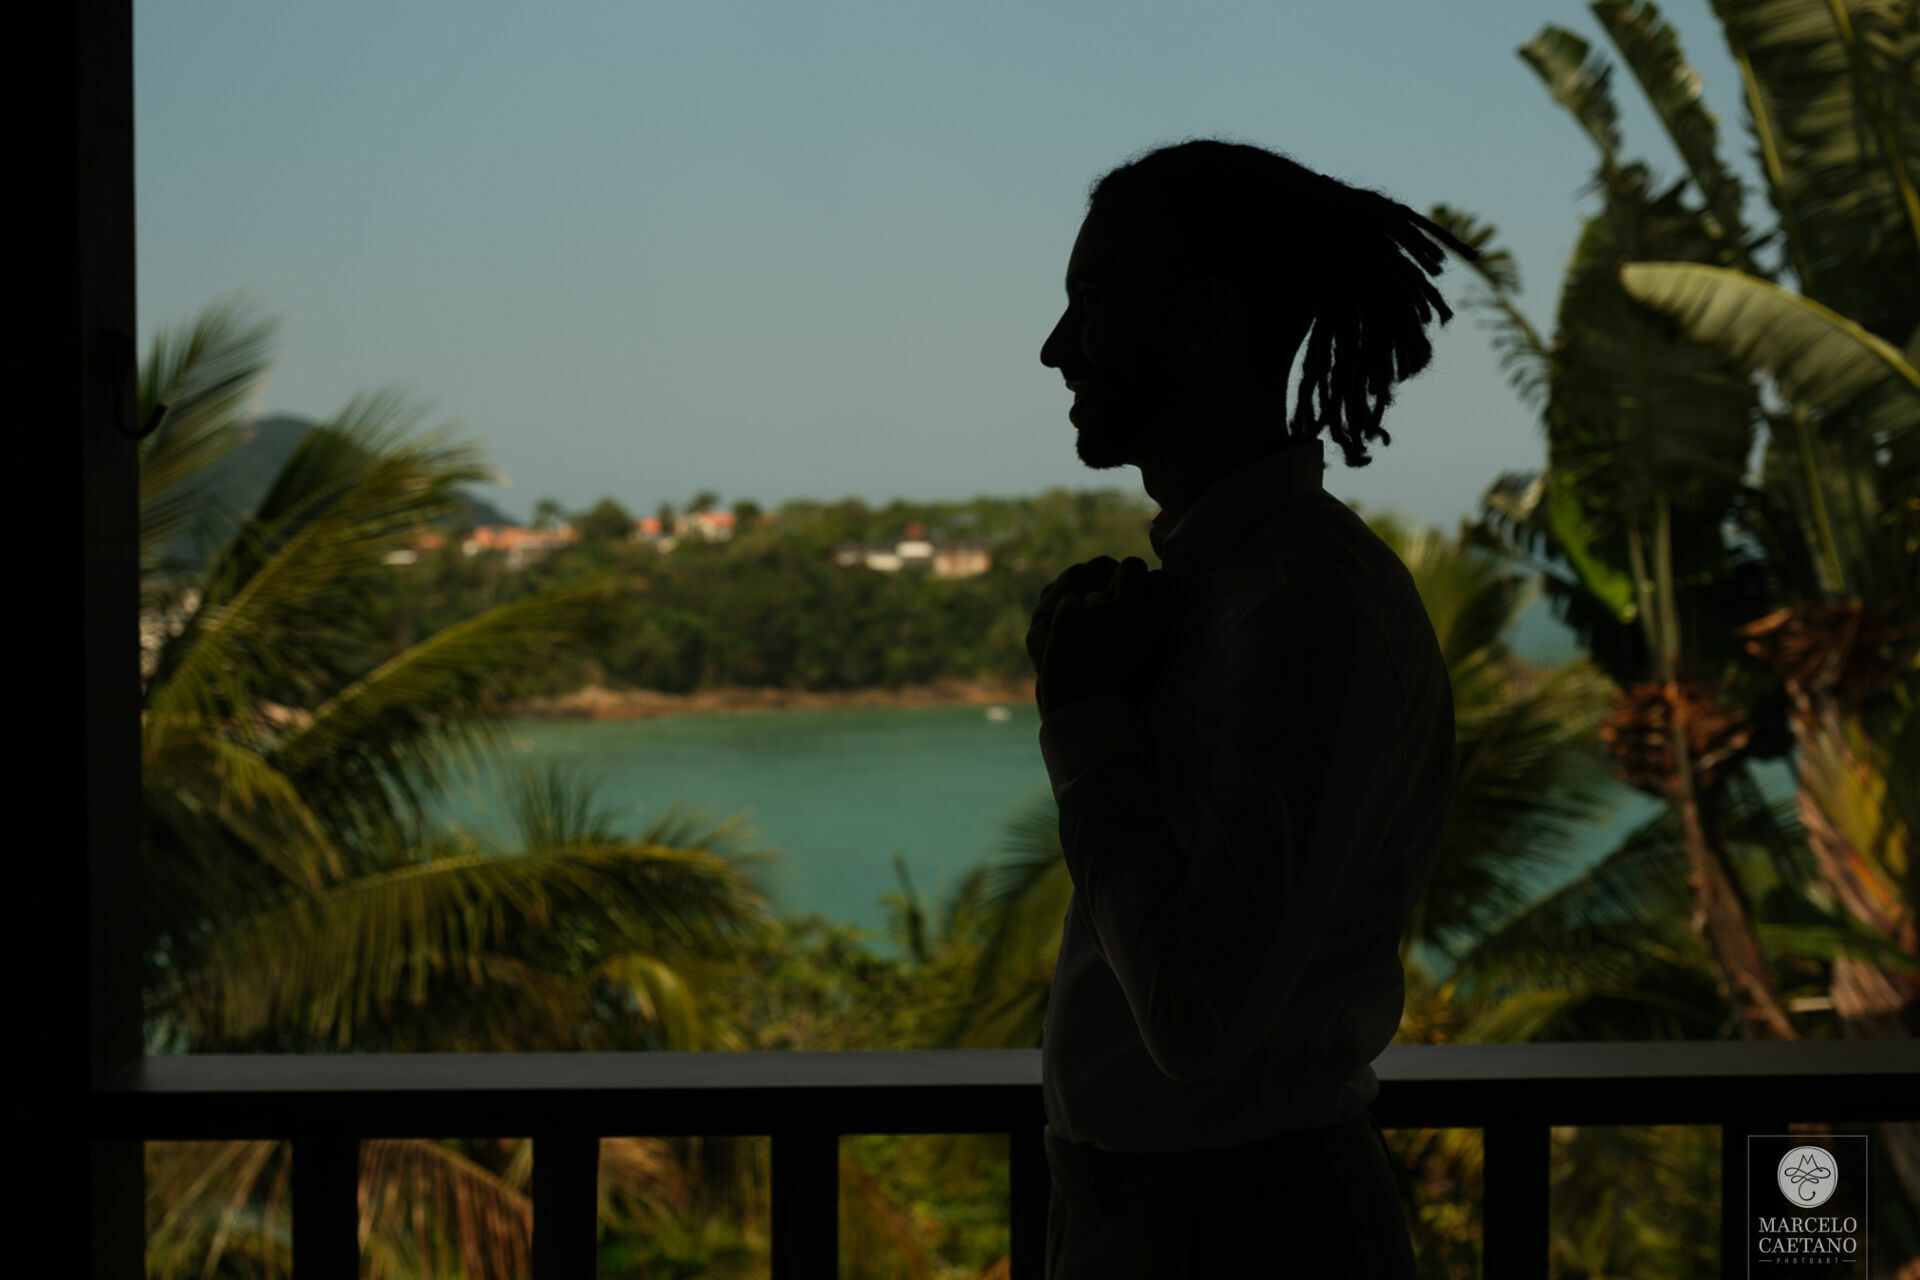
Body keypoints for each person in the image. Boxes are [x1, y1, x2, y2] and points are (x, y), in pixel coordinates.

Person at [1027, 137, 1477, 1277]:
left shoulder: (1301, 612)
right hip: (1171, 1213)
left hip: (1240, 1232)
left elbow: (1190, 1019)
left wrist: (1082, 726)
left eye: (1091, 305)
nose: (1055, 350)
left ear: (1207, 319)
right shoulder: (1234, 593)